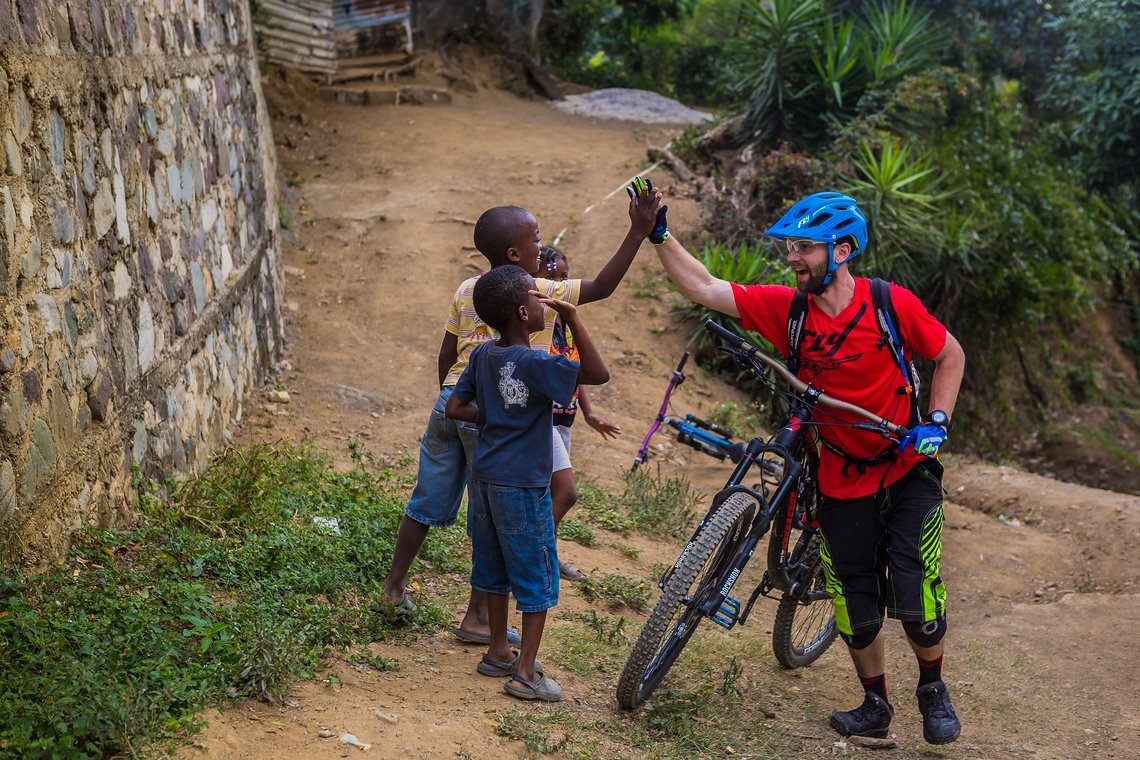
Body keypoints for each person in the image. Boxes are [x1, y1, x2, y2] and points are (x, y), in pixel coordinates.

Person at [645, 189, 966, 745]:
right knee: (853, 599)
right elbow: (703, 286)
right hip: (839, 478)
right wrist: (658, 234)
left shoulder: (890, 304)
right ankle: (875, 703)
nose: (792, 257)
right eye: (790, 247)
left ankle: (932, 690)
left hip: (906, 469)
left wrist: (936, 418)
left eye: (804, 248)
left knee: (916, 600)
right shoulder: (788, 310)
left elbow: (949, 355)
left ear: (842, 251)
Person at [380, 181, 662, 645]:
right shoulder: (534, 289)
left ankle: (393, 585)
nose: (541, 246)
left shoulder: (468, 287)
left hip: (451, 403)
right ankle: (479, 615)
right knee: (494, 509)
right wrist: (636, 233)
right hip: (499, 407)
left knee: (427, 499)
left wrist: (452, 403)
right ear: (514, 254)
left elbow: (447, 352)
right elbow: (603, 287)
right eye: (535, 239)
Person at [445, 264, 611, 702]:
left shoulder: (483, 355)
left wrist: (495, 417)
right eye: (539, 298)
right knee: (537, 575)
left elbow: (455, 406)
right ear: (523, 311)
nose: (545, 303)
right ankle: (524, 674)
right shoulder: (537, 362)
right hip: (522, 484)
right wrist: (573, 318)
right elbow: (596, 374)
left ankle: (498, 650)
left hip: (484, 479)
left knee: (493, 566)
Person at [539, 245, 622, 582]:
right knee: (558, 492)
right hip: (542, 418)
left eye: (563, 278)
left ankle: (547, 554)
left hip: (564, 419)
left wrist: (588, 413)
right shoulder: (539, 324)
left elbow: (576, 370)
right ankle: (538, 556)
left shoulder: (568, 323)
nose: (558, 284)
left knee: (551, 495)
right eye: (551, 277)